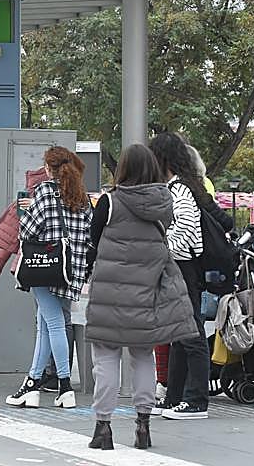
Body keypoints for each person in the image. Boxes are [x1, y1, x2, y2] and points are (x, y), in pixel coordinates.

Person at [83, 144, 200, 449]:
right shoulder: (164, 205)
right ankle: (143, 426)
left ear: (122, 168)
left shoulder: (108, 202)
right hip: (146, 295)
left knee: (106, 361)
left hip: (109, 295)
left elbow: (93, 244)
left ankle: (103, 429)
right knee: (143, 358)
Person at [5, 147, 92, 409]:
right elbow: (89, 236)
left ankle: (64, 386)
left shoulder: (43, 192)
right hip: (70, 270)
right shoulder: (83, 197)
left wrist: (27, 212)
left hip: (44, 267)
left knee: (53, 325)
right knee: (45, 325)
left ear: (48, 168)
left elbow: (28, 231)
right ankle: (32, 384)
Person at [149, 132, 212, 420]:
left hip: (182, 266)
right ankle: (175, 395)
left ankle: (196, 399)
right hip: (180, 266)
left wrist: (162, 249)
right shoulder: (181, 188)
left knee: (191, 333)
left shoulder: (181, 191)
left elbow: (186, 229)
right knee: (179, 333)